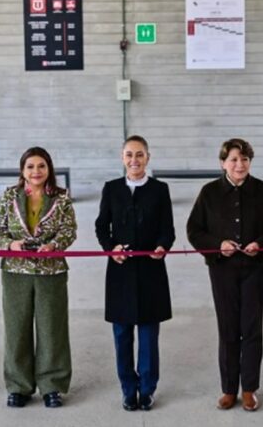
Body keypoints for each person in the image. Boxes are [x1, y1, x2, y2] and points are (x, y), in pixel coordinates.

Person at [187, 138, 263, 412]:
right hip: (222, 270)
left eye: (244, 159)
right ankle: (229, 389)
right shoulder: (209, 193)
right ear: (222, 163)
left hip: (255, 269)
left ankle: (249, 389)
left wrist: (260, 244)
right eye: (233, 159)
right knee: (228, 329)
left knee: (251, 328)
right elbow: (194, 231)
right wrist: (218, 246)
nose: (239, 164)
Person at [0, 147, 77, 409]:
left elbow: (69, 230)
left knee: (52, 329)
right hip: (16, 272)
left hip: (51, 271)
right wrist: (9, 244)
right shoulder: (10, 196)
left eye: (41, 166)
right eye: (30, 166)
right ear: (22, 170)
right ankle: (19, 386)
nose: (36, 171)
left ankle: (52, 386)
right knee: (16, 329)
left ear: (49, 169)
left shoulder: (61, 198)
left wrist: (54, 246)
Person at [95, 135, 175, 412]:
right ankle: (128, 389)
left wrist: (163, 246)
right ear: (122, 158)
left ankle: (147, 389)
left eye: (139, 155)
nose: (134, 160)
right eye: (129, 155)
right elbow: (101, 226)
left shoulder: (160, 189)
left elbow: (168, 228)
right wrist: (110, 248)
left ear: (148, 158)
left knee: (149, 336)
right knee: (122, 334)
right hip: (120, 272)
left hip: (151, 270)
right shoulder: (112, 189)